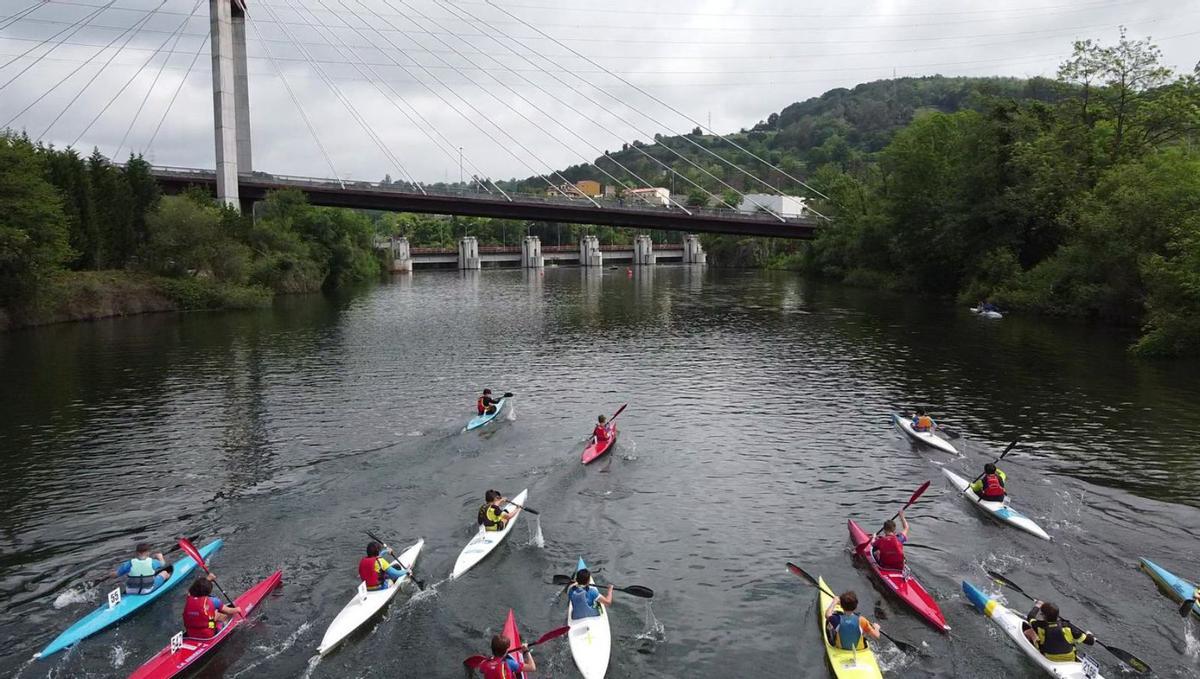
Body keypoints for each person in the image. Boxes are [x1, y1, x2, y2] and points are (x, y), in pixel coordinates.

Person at [1022, 601, 1095, 662]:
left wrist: (1038, 605)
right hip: (1071, 659)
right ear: (1058, 615)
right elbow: (1090, 641)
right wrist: (1089, 634)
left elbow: (1030, 617)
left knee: (1030, 631)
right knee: (1073, 640)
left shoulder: (1039, 626)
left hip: (1050, 658)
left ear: (1043, 616)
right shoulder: (1068, 627)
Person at [182, 574, 241, 639]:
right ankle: (221, 627)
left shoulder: (189, 597)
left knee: (207, 615)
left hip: (191, 633)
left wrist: (208, 579)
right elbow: (229, 611)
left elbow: (195, 589)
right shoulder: (214, 601)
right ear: (208, 591)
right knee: (219, 614)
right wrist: (237, 609)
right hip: (208, 633)